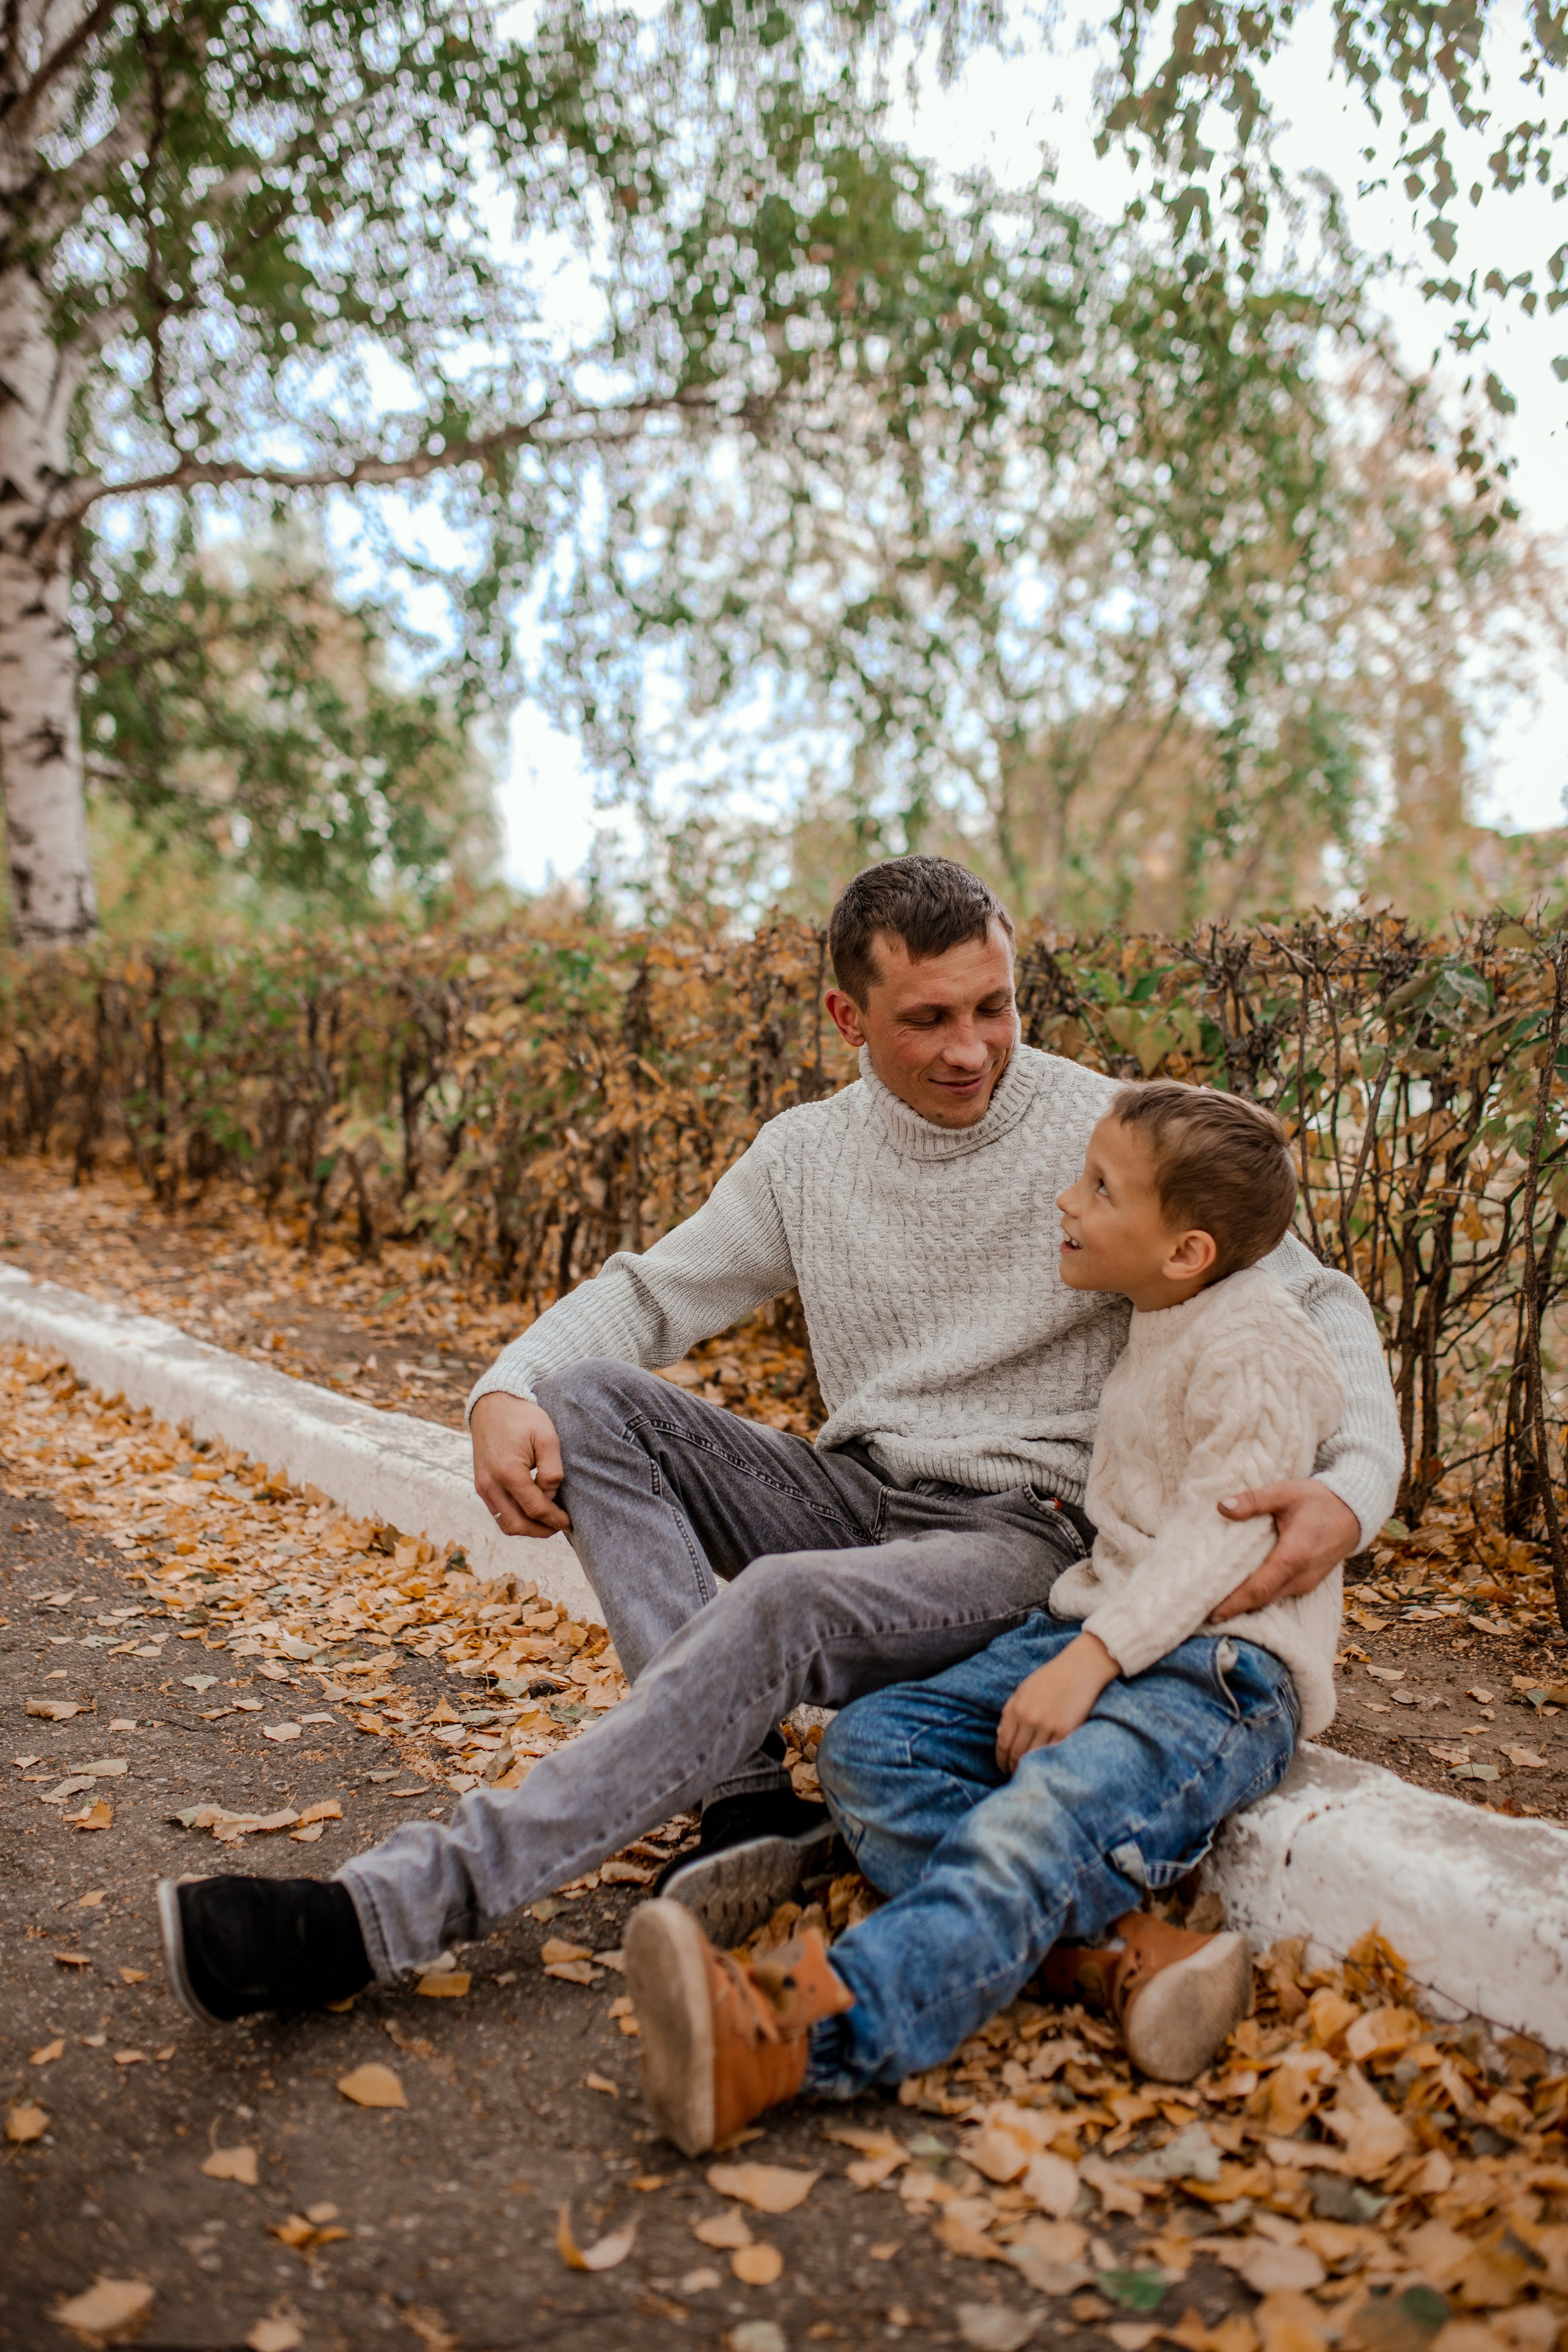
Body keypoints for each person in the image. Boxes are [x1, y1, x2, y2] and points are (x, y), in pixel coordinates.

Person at [156, 861, 1399, 2024]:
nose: (969, 1049)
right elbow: (650, 1298)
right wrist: (503, 1389)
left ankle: (380, 1914)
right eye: (925, 1019)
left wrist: (1348, 1490)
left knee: (779, 1603)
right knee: (588, 1401)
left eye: (993, 1006)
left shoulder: (1100, 1134)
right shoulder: (806, 1157)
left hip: (1022, 1536)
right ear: (845, 1019)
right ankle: (742, 1803)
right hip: (856, 1492)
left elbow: (1314, 1302)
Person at [622, 1081, 1352, 2157]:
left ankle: (787, 2037)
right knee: (874, 1748)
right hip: (1103, 1632)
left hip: (1218, 1673)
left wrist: (1092, 1660)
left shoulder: (1256, 1343)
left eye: (1100, 1188)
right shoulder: (1169, 1311)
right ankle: (1102, 1955)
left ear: (1187, 1250)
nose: (1066, 1198)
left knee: (1034, 1820)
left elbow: (1228, 1533)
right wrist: (1085, 1647)